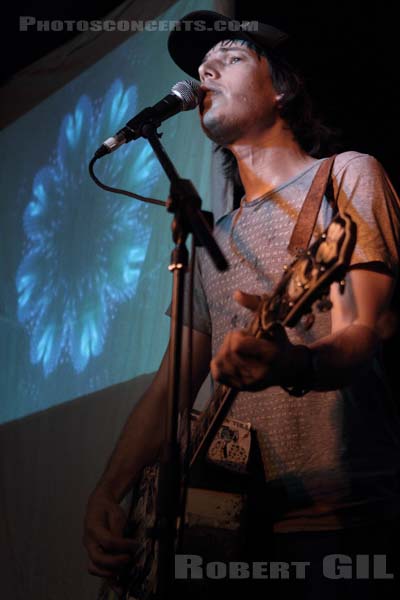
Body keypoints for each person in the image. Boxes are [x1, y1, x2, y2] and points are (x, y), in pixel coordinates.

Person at [83, 10, 400, 599]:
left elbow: (365, 328)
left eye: (230, 57)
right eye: (204, 66)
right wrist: (110, 490)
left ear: (280, 87)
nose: (206, 69)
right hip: (229, 528)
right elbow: (171, 386)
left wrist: (296, 366)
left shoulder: (346, 177)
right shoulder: (212, 238)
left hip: (339, 517)